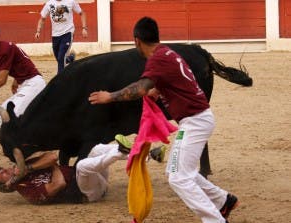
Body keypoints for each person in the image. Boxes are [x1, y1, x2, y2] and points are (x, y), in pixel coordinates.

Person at [88, 17, 239, 223]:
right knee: (177, 171)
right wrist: (160, 89)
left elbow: (139, 89)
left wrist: (110, 96)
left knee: (178, 177)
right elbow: (176, 80)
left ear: (137, 41)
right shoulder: (168, 53)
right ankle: (224, 201)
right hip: (195, 120)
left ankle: (216, 220)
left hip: (195, 122)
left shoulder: (157, 59)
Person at [0, 135, 132, 204]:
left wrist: (28, 168)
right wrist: (52, 166)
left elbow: (52, 156)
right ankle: (119, 152)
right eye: (3, 174)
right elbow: (59, 184)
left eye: (5, 169)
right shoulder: (29, 193)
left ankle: (137, 153)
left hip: (96, 180)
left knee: (92, 150)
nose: (7, 170)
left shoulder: (27, 167)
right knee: (82, 166)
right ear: (8, 185)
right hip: (88, 193)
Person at [0, 21, 46, 127]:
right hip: (26, 86)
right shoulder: (0, 49)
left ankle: (20, 142)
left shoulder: (4, 50)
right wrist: (16, 80)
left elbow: (2, 80)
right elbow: (21, 62)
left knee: (8, 117)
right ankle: (18, 142)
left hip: (33, 86)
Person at [34, 0, 88, 75]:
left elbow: (82, 13)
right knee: (59, 58)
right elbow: (42, 18)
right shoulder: (49, 3)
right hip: (55, 35)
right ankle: (70, 59)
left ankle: (60, 78)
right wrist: (38, 31)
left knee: (61, 57)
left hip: (68, 33)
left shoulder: (70, 1)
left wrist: (84, 28)